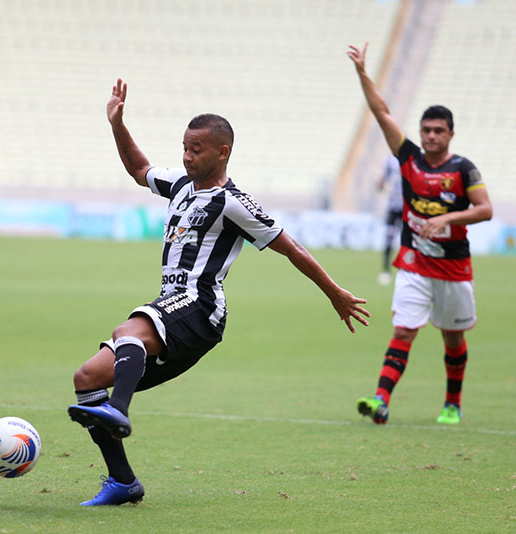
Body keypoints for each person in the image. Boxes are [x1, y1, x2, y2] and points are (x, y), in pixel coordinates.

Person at [66, 79, 370, 506]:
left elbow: (291, 247)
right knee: (87, 379)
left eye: (197, 150)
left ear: (222, 152)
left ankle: (118, 410)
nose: (187, 157)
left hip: (201, 307)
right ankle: (122, 482)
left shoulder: (233, 202)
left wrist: (334, 292)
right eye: (185, 148)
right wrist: (117, 123)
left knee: (127, 330)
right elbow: (139, 169)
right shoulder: (180, 184)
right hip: (173, 311)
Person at [347, 43, 492, 425]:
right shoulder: (408, 157)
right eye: (425, 130)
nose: (430, 136)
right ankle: (380, 400)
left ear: (450, 134)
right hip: (413, 263)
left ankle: (452, 403)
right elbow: (381, 113)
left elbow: (485, 209)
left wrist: (448, 219)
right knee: (403, 330)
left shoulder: (464, 170)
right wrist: (363, 74)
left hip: (454, 268)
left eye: (437, 131)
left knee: (452, 339)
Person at [377, 154, 403, 286]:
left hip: (407, 208)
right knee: (389, 240)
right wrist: (380, 185)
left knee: (407, 242)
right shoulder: (390, 160)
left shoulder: (412, 158)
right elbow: (383, 180)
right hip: (392, 207)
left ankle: (405, 271)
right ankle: (386, 271)